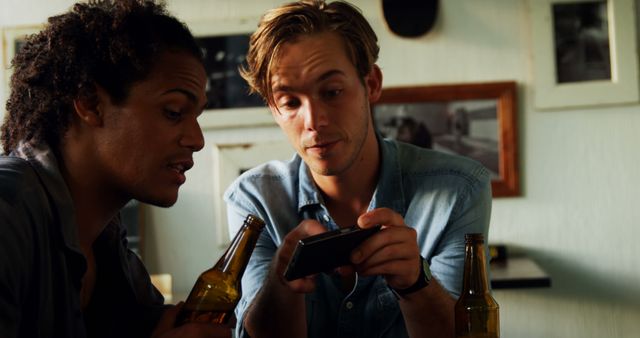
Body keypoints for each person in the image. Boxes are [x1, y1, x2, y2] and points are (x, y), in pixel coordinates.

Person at [223, 1, 492, 337]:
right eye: (290, 102)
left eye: (332, 92)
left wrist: (416, 283)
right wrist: (281, 281)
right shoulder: (253, 199)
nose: (314, 122)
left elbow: (468, 334)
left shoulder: (460, 188)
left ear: (372, 84)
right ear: (273, 110)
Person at [0, 1, 230, 337]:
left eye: (197, 117)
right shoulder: (8, 215)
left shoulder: (106, 240)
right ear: (91, 104)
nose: (197, 140)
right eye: (173, 111)